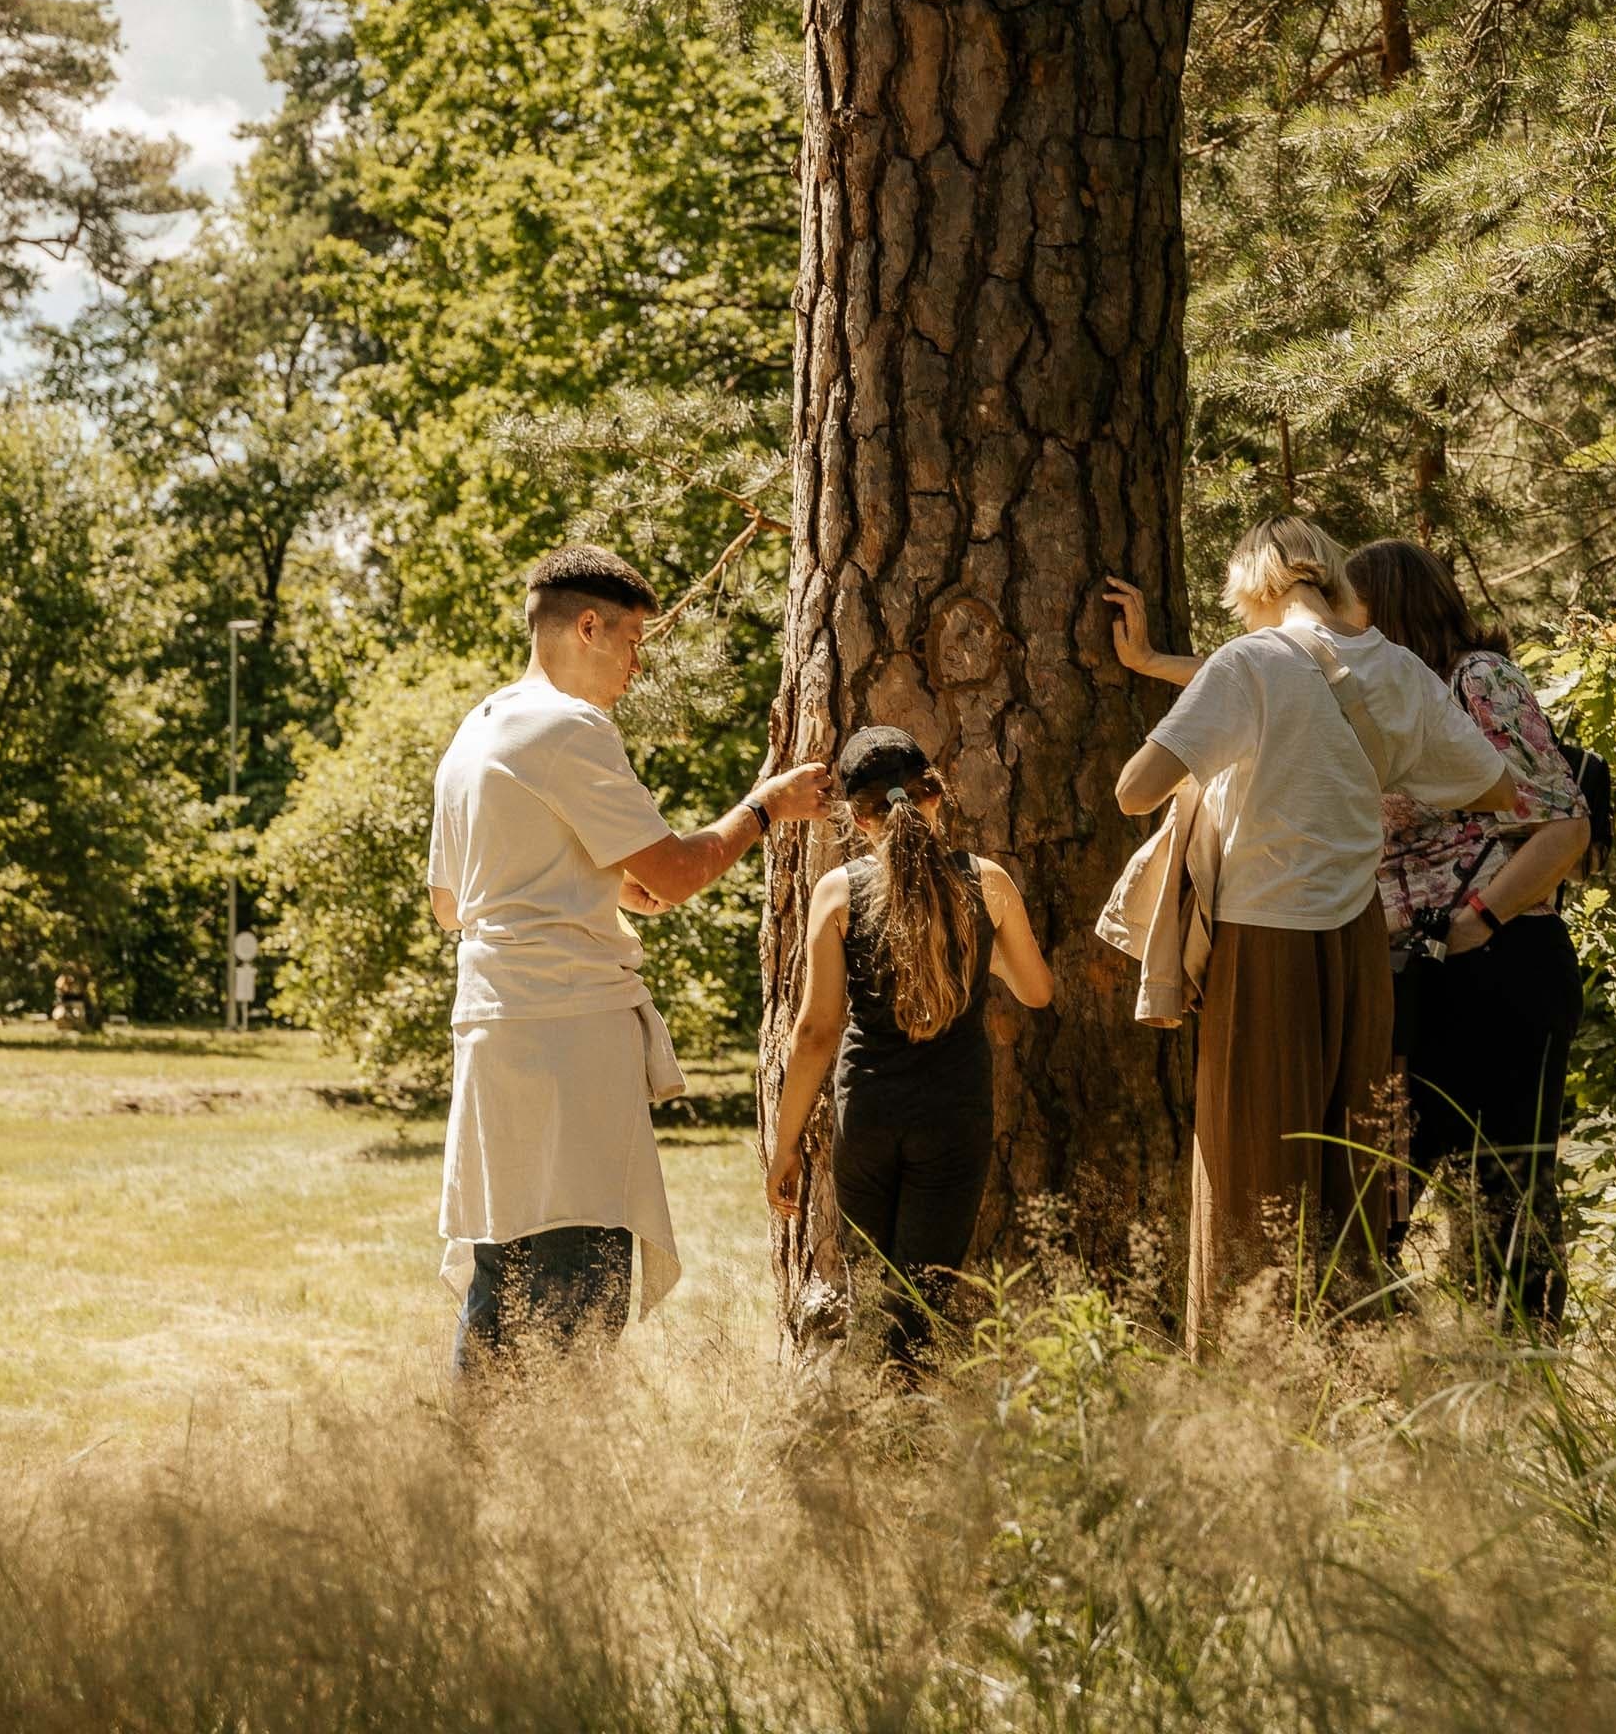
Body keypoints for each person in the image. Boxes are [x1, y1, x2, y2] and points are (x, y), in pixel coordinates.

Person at [1102, 515, 1519, 1354]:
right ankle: (1351, 1368)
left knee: (1250, 1161)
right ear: (1330, 578)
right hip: (1359, 938)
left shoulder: (1249, 661)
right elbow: (1495, 786)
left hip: (1265, 936)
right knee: (1349, 1168)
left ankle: (1246, 1379)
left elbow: (1134, 791)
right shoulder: (1396, 668)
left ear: (1254, 587)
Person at [426, 544, 830, 1383]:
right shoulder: (569, 727)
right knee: (586, 1275)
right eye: (635, 642)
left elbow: (450, 905)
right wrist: (767, 806)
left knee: (505, 1275)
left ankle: (470, 1482)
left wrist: (591, 883)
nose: (637, 667)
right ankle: (566, 1475)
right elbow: (675, 874)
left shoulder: (478, 728)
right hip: (564, 1034)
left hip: (492, 1029)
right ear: (586, 627)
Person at [1343, 539, 1589, 1328]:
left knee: (1507, 1187)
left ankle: (1525, 1380)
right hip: (1416, 975)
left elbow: (1564, 826)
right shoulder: (1382, 706)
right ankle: (1408, 1373)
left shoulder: (1477, 681)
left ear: (1386, 608)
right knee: (1381, 1186)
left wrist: (1479, 922)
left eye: (1352, 611)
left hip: (1502, 965)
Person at [765, 727, 1054, 1371]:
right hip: (953, 1118)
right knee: (924, 1301)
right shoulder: (989, 882)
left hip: (867, 1113)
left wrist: (785, 1145)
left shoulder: (837, 891)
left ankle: (872, 1433)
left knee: (871, 1296)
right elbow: (1036, 990)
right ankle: (915, 1429)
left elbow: (815, 1032)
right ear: (935, 795)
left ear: (856, 815)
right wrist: (977, 957)